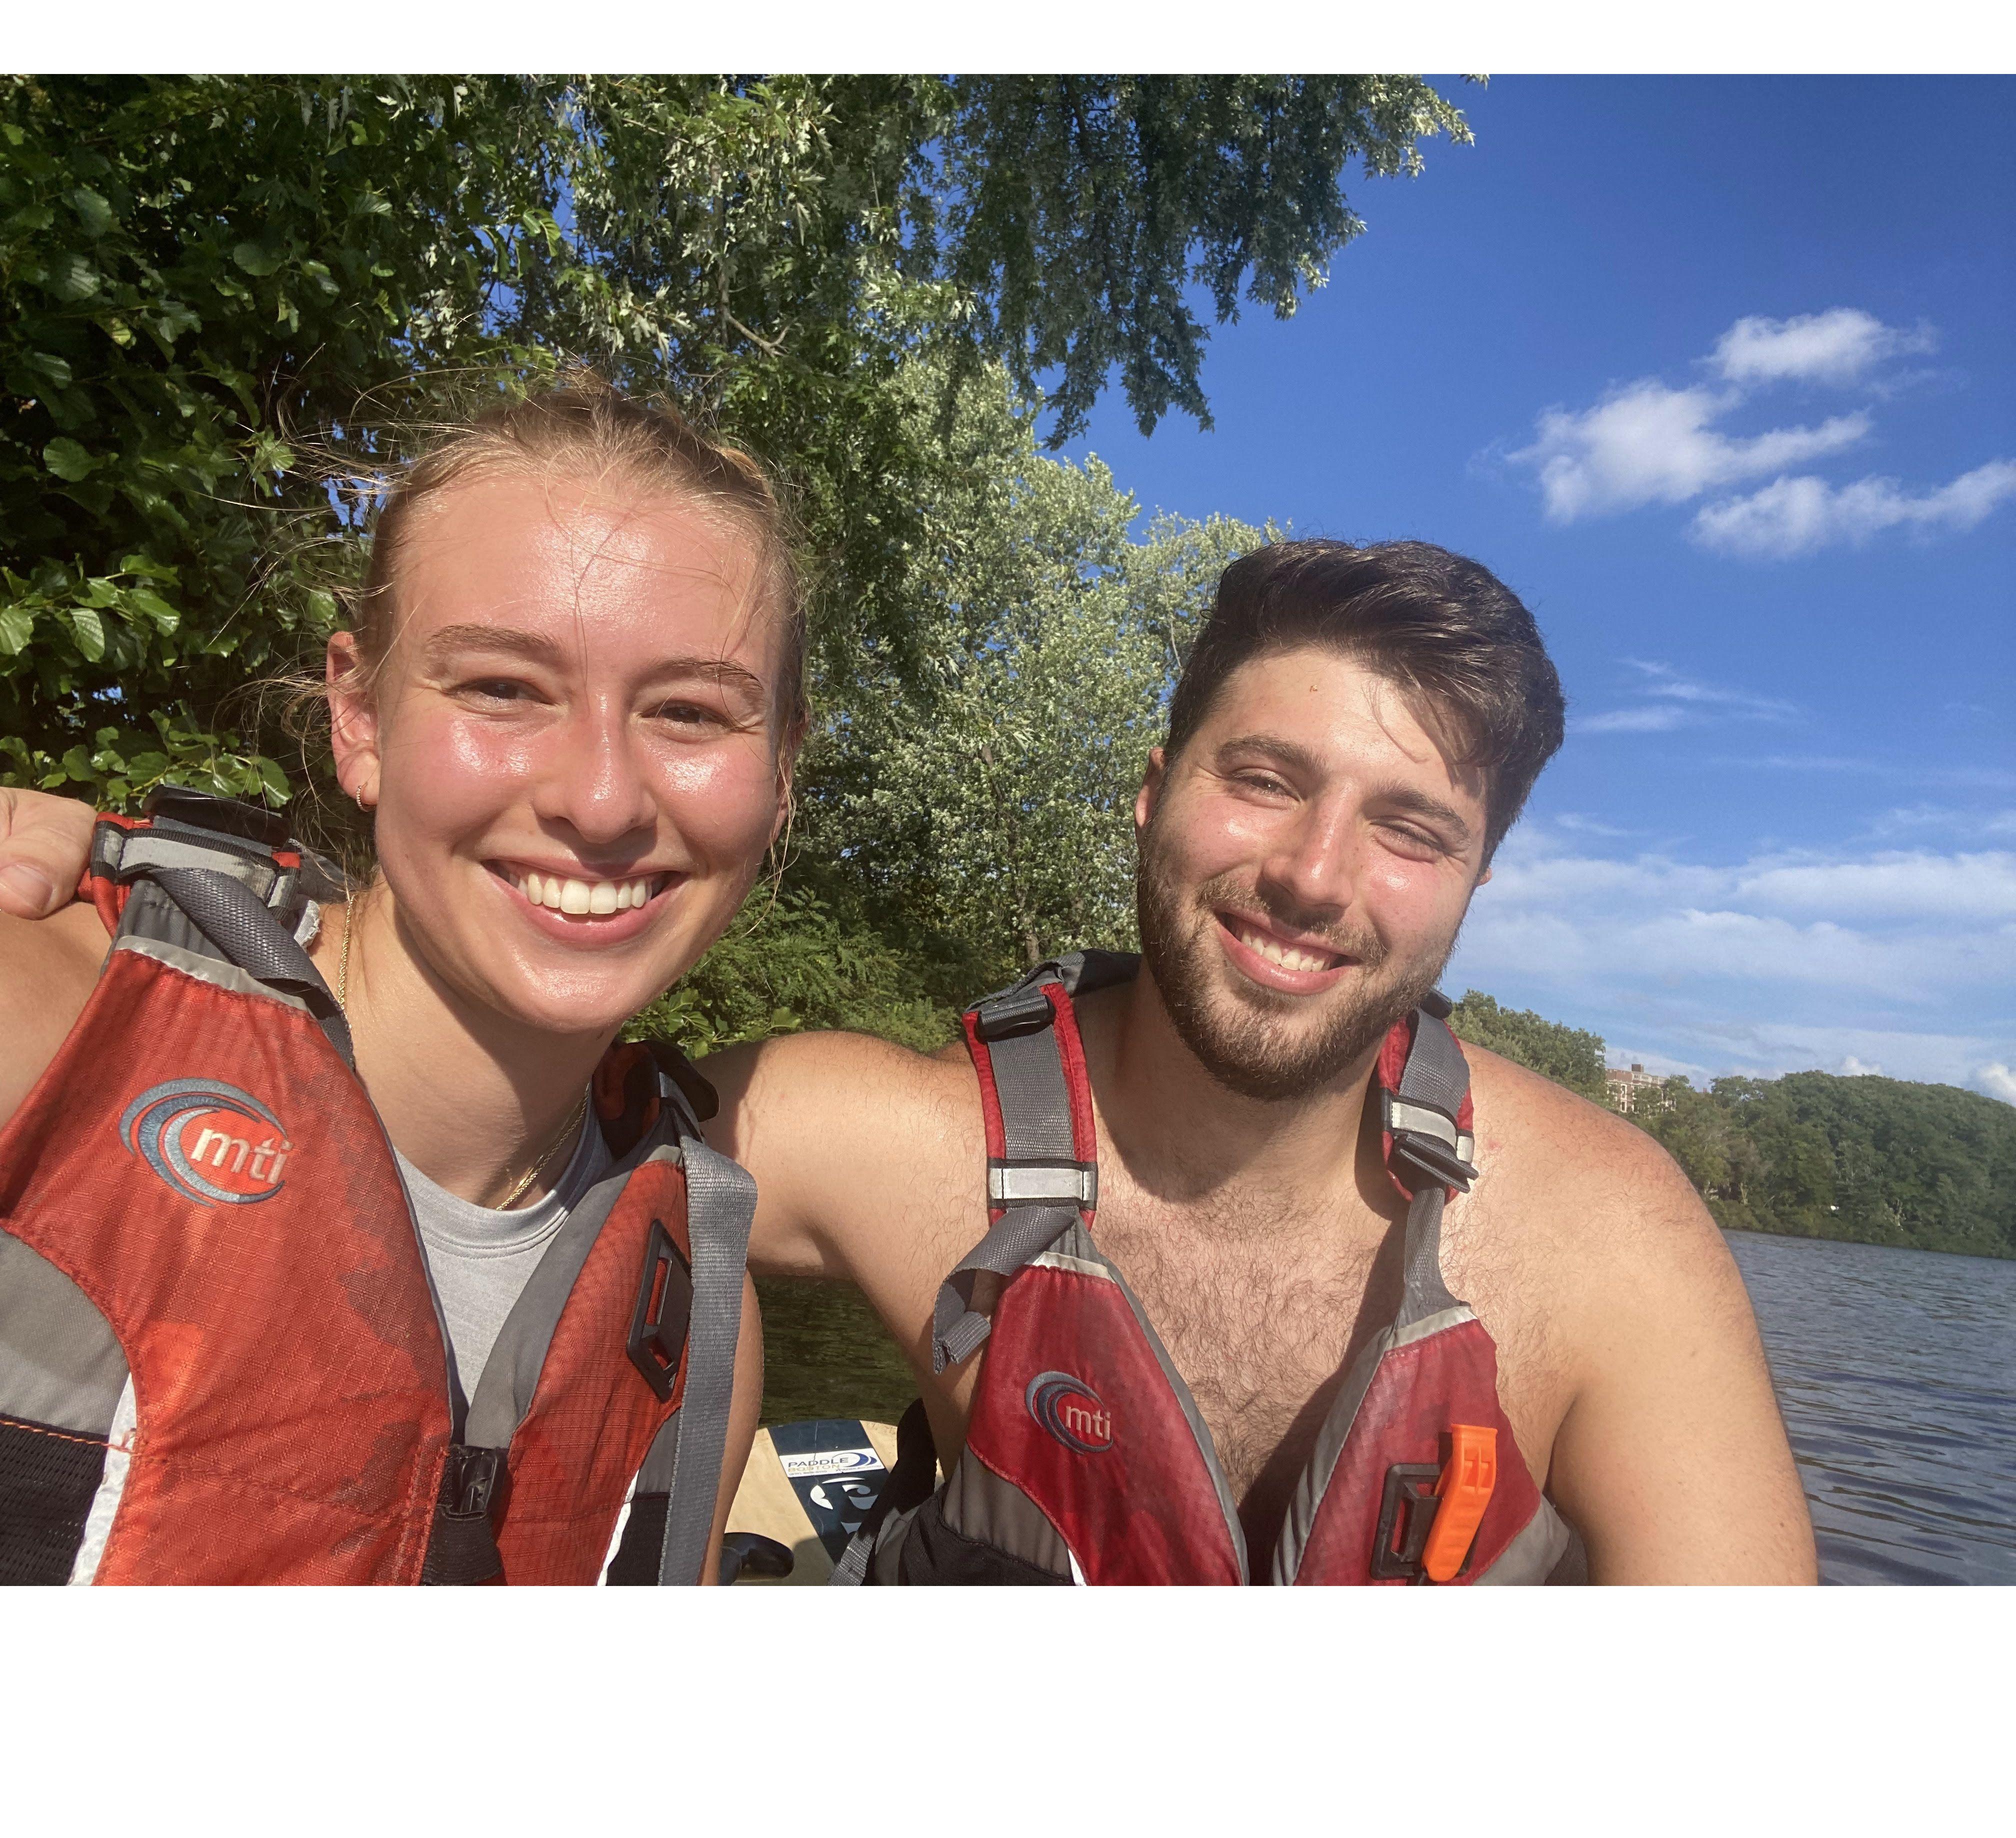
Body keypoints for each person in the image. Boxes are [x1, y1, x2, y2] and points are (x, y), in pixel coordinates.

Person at [4, 522, 1818, 1584]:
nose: (1312, 877)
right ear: (1154, 793)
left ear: (1474, 882)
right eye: (1261, 777)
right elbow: (457, 1051)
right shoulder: (868, 1137)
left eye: (1409, 828)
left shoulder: (1607, 1243)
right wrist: (154, 884)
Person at [0, 378, 800, 1584]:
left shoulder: (704, 1331)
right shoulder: (45, 1034)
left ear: (782, 777)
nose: (600, 800)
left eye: (690, 712)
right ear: (360, 718)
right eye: (502, 688)